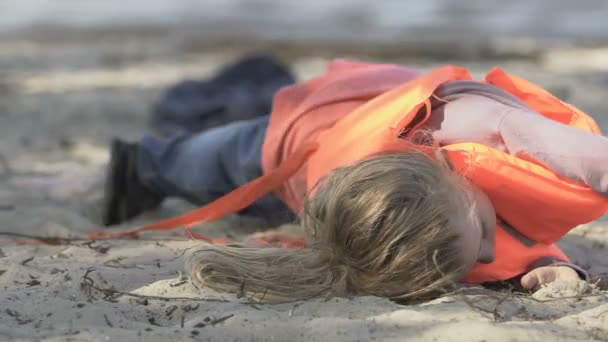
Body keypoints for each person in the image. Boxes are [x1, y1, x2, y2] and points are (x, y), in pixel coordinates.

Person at [100, 59, 608, 303]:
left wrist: (546, 263)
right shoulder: (472, 156)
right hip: (297, 143)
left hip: (325, 152)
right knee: (197, 163)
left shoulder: (467, 163)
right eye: (481, 237)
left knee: (250, 191)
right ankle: (140, 162)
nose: (487, 256)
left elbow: (576, 173)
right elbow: (576, 166)